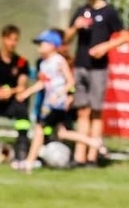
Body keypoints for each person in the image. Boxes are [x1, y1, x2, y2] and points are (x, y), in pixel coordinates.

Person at [65, 0, 129, 165]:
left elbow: (126, 37)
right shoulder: (81, 11)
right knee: (82, 112)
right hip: (81, 66)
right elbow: (65, 39)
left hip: (99, 69)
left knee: (96, 111)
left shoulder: (109, 12)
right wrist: (75, 27)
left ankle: (93, 155)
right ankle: (79, 156)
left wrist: (105, 47)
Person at [11, 30, 94, 171]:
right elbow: (43, 83)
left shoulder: (58, 61)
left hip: (57, 103)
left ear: (52, 45)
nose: (39, 47)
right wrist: (26, 93)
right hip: (50, 102)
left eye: (42, 43)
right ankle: (92, 141)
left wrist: (60, 94)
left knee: (40, 129)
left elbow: (70, 81)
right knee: (61, 132)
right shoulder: (43, 64)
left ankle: (29, 162)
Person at [0, 25, 33, 163]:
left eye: (16, 40)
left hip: (12, 102)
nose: (12, 43)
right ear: (2, 39)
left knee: (22, 104)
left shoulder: (22, 63)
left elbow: (22, 86)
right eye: (10, 39)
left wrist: (10, 91)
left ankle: (22, 147)